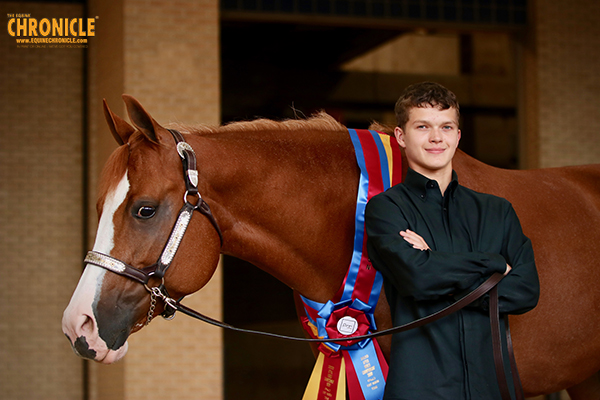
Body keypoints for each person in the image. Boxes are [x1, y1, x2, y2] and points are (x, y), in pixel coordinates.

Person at [365, 82, 540, 399]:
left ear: (458, 135)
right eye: (423, 127)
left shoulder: (497, 211)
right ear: (401, 137)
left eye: (446, 127)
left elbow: (526, 290)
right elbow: (418, 278)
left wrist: (436, 262)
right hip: (421, 390)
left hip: (493, 387)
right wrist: (492, 264)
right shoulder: (386, 209)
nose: (436, 138)